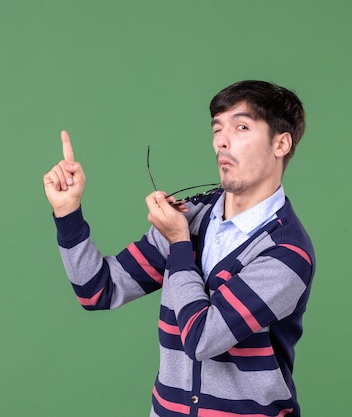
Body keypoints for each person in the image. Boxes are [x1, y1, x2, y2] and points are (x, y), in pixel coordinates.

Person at [43, 80, 315, 417]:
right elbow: (98, 291)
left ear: (281, 143)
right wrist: (68, 212)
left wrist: (179, 243)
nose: (222, 142)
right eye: (217, 128)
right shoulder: (192, 217)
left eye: (241, 127)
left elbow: (202, 339)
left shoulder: (286, 252)